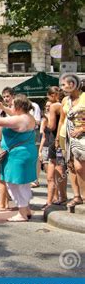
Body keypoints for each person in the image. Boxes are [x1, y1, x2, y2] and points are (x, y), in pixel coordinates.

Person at [0, 94, 37, 222]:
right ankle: (26, 209)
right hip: (25, 153)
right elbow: (12, 113)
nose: (10, 106)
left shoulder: (20, 119)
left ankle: (22, 213)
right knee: (24, 183)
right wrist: (3, 107)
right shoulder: (28, 116)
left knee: (14, 184)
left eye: (12, 105)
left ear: (18, 106)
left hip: (17, 156)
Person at [57, 74, 85, 208]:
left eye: (64, 84)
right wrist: (58, 137)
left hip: (82, 136)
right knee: (71, 166)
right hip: (66, 136)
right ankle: (77, 196)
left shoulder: (84, 97)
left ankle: (84, 195)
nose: (62, 87)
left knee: (80, 167)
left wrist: (82, 128)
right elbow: (62, 120)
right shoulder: (65, 101)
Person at [43, 87, 67, 208]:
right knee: (60, 169)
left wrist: (46, 124)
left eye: (48, 97)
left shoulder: (54, 106)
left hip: (54, 140)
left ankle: (59, 198)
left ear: (52, 95)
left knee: (55, 171)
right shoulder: (65, 104)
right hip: (64, 139)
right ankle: (59, 197)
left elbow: (52, 126)